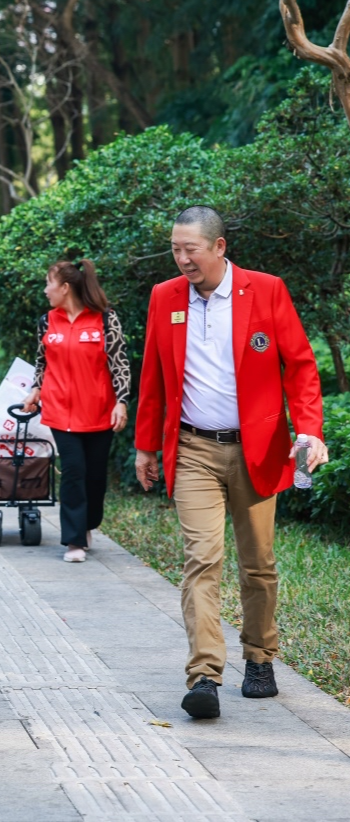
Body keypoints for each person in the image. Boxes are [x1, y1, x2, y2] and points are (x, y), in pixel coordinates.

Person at [135, 206, 327, 720]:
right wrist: (146, 445)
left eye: (190, 249)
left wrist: (308, 429)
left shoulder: (265, 290)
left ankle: (260, 656)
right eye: (175, 249)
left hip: (256, 448)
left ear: (219, 247)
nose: (181, 259)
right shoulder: (164, 297)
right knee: (202, 559)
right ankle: (204, 674)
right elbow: (153, 374)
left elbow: (301, 365)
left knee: (257, 563)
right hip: (194, 449)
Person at [21, 259, 130, 563]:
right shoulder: (47, 321)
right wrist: (35, 389)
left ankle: (88, 523)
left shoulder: (105, 319)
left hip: (99, 411)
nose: (45, 290)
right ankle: (74, 540)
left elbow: (119, 363)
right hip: (60, 411)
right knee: (73, 472)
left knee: (95, 477)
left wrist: (121, 401)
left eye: (48, 283)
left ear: (65, 287)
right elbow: (42, 362)